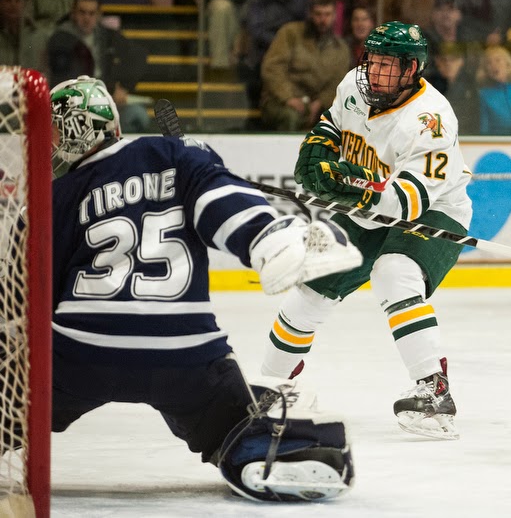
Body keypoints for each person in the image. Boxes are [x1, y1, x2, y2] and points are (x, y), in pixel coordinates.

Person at [47, 76, 362, 499]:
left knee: (13, 407)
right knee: (234, 425)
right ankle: (266, 453)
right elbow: (220, 203)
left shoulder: (59, 193)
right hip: (184, 350)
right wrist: (263, 233)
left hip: (81, 351)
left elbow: (33, 291)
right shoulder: (176, 157)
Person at [260, 21, 472, 440]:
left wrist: (345, 182)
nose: (374, 71)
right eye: (372, 60)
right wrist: (319, 147)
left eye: (387, 64)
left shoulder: (431, 120)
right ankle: (268, 388)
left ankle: (434, 390)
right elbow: (332, 123)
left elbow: (406, 203)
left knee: (394, 272)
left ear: (411, 69)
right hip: (368, 208)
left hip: (433, 211)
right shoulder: (353, 87)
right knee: (309, 288)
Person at [46, 0, 150, 132]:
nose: (87, 18)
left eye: (92, 13)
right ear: (73, 13)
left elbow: (138, 55)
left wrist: (124, 86)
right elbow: (62, 81)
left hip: (106, 103)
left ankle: (108, 141)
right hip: (74, 109)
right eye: (82, 12)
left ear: (99, 15)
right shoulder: (61, 39)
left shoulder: (107, 36)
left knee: (138, 115)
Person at [259, 0, 350, 131]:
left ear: (334, 16)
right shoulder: (290, 33)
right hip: (280, 100)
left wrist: (320, 103)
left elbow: (338, 82)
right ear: (310, 14)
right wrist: (288, 98)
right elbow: (272, 68)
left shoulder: (341, 48)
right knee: (291, 117)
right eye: (318, 14)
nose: (323, 19)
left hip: (319, 103)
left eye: (327, 14)